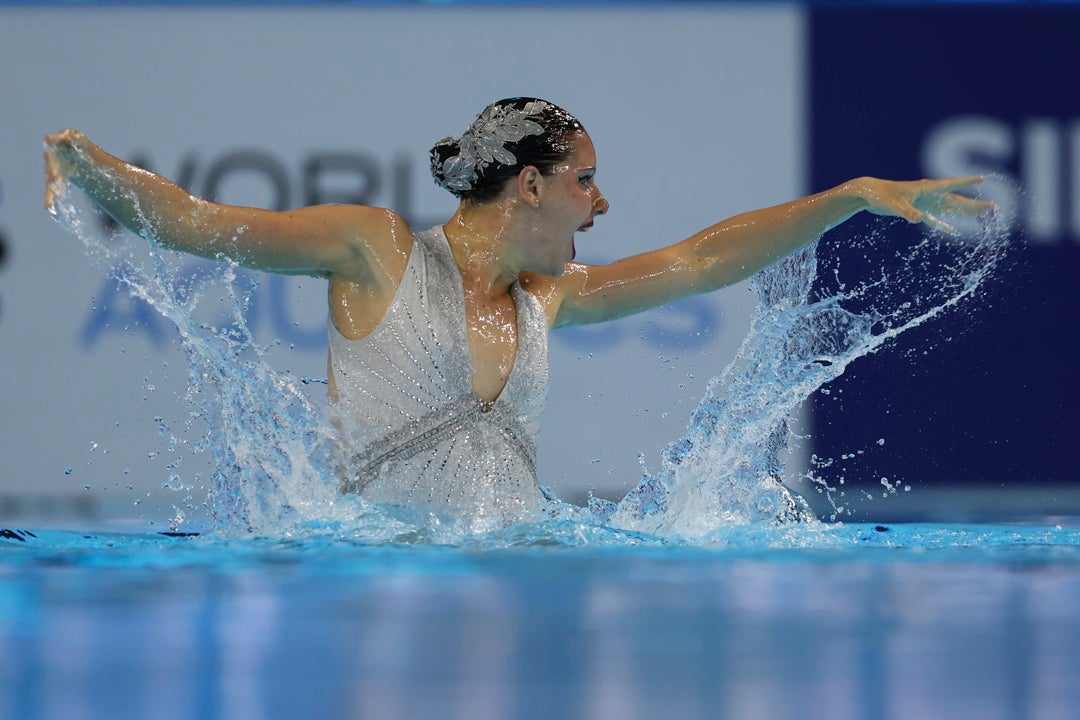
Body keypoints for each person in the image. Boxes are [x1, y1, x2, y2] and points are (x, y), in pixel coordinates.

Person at [44, 97, 993, 530]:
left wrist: (854, 194)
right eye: (587, 182)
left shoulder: (552, 297)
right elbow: (206, 225)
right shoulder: (376, 250)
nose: (601, 203)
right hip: (365, 574)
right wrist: (91, 164)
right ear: (530, 184)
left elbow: (704, 260)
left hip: (519, 559)